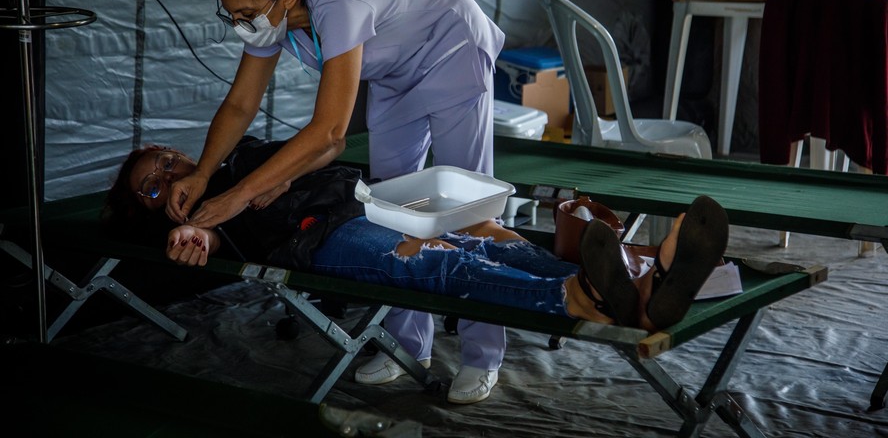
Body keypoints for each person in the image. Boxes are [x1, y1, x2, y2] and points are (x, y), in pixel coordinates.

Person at [106, 137, 731, 403]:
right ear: (154, 217)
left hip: (373, 200)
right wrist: (195, 233)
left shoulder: (240, 153)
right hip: (326, 240)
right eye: (152, 188)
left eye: (164, 159)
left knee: (491, 233)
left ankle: (632, 286)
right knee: (441, 262)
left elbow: (316, 158)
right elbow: (208, 245)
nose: (166, 173)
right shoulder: (205, 225)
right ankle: (593, 291)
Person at [164, 0, 508, 403]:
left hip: (455, 51)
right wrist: (202, 174)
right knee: (391, 207)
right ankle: (407, 346)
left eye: (246, 14)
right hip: (395, 72)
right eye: (233, 16)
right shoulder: (277, 21)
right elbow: (241, 104)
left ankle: (481, 355)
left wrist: (236, 195)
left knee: (468, 206)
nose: (241, 25)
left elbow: (329, 133)